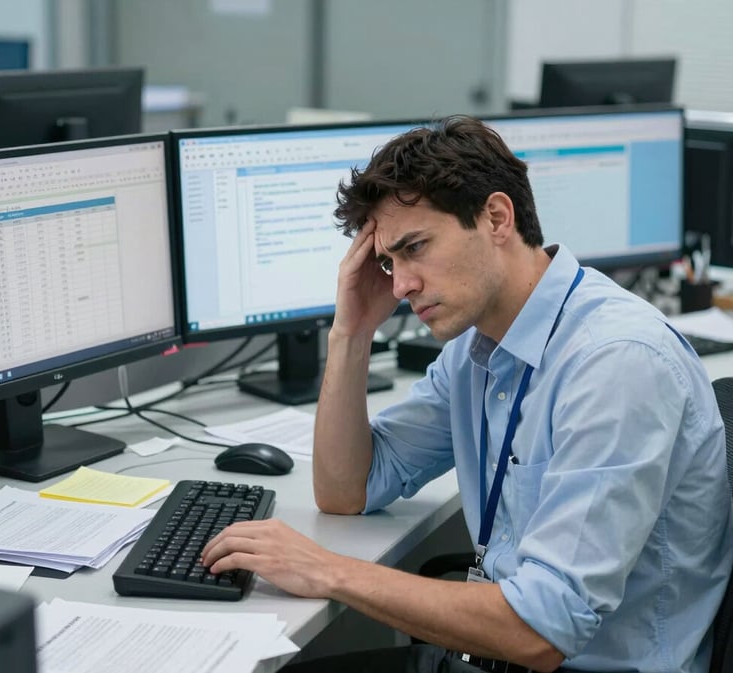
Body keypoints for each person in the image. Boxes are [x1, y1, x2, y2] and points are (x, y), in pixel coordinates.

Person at [202, 115, 733, 673]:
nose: (401, 285)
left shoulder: (616, 363)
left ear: (497, 218)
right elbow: (347, 489)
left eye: (416, 248)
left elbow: (543, 630)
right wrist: (352, 333)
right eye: (389, 262)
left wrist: (328, 570)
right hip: (501, 651)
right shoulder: (478, 346)